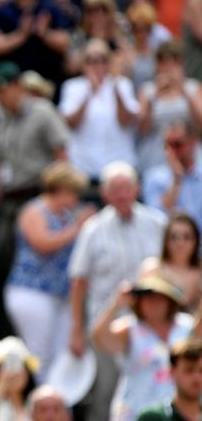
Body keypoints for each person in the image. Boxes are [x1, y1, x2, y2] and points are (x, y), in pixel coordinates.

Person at [69, 161, 167, 421]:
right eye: (116, 188)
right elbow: (79, 281)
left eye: (127, 187)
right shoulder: (92, 229)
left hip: (150, 324)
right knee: (105, 391)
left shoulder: (157, 223)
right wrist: (77, 329)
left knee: (155, 386)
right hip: (106, 325)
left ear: (138, 188)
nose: (122, 194)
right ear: (104, 193)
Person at [0, 60, 69, 338]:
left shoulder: (42, 112)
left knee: (28, 261)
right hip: (9, 200)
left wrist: (60, 198)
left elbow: (62, 156)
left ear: (18, 87)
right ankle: (1, 332)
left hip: (38, 194)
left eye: (3, 90)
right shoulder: (1, 121)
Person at [4, 161, 92, 383]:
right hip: (31, 292)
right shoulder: (33, 210)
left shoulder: (68, 216)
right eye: (74, 192)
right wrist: (77, 228)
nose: (76, 198)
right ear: (61, 189)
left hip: (60, 296)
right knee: (40, 354)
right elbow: (42, 244)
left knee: (61, 354)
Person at [92, 275, 198, 421]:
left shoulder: (186, 326)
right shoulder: (130, 329)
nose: (152, 303)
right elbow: (100, 339)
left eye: (158, 298)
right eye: (147, 297)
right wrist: (116, 304)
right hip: (134, 409)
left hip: (174, 412)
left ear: (169, 301)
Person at [59, 39, 140, 183]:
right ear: (83, 64)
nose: (97, 65)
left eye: (103, 60)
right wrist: (89, 92)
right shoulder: (72, 87)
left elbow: (126, 121)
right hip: (83, 168)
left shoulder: (123, 84)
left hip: (119, 168)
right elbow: (70, 123)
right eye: (91, 60)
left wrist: (115, 87)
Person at [137, 41, 202, 173]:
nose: (168, 67)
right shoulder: (147, 90)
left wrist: (183, 90)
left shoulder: (193, 87)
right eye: (163, 61)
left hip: (188, 152)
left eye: (174, 61)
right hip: (156, 155)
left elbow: (200, 124)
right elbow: (142, 129)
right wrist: (155, 96)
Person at [143, 120, 202, 230]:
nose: (170, 151)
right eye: (167, 145)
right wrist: (176, 180)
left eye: (177, 144)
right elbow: (157, 216)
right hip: (173, 243)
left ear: (193, 143)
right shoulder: (154, 178)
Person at [140, 213, 202, 312]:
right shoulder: (153, 268)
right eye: (174, 237)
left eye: (187, 237)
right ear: (165, 241)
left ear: (196, 240)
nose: (180, 243)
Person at [137, 338, 202, 421]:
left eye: (201, 371)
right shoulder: (153, 418)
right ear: (172, 372)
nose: (197, 377)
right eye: (189, 370)